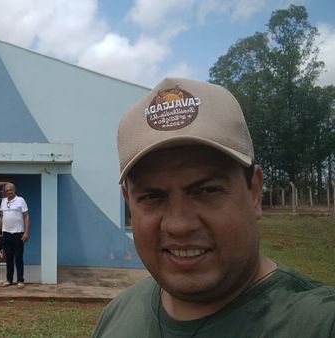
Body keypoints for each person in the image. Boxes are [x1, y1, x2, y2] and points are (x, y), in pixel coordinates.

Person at [93, 77, 335, 337]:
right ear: (129, 202)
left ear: (254, 192)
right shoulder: (117, 316)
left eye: (207, 191)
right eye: (153, 196)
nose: (179, 224)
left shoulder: (318, 324)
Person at [0, 183, 30, 289]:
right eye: (6, 190)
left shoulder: (21, 200)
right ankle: (9, 280)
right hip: (6, 233)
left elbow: (26, 216)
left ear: (14, 190)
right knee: (8, 258)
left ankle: (20, 280)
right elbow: (1, 217)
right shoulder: (3, 201)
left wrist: (26, 232)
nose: (8, 192)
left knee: (18, 258)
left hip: (18, 233)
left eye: (10, 190)